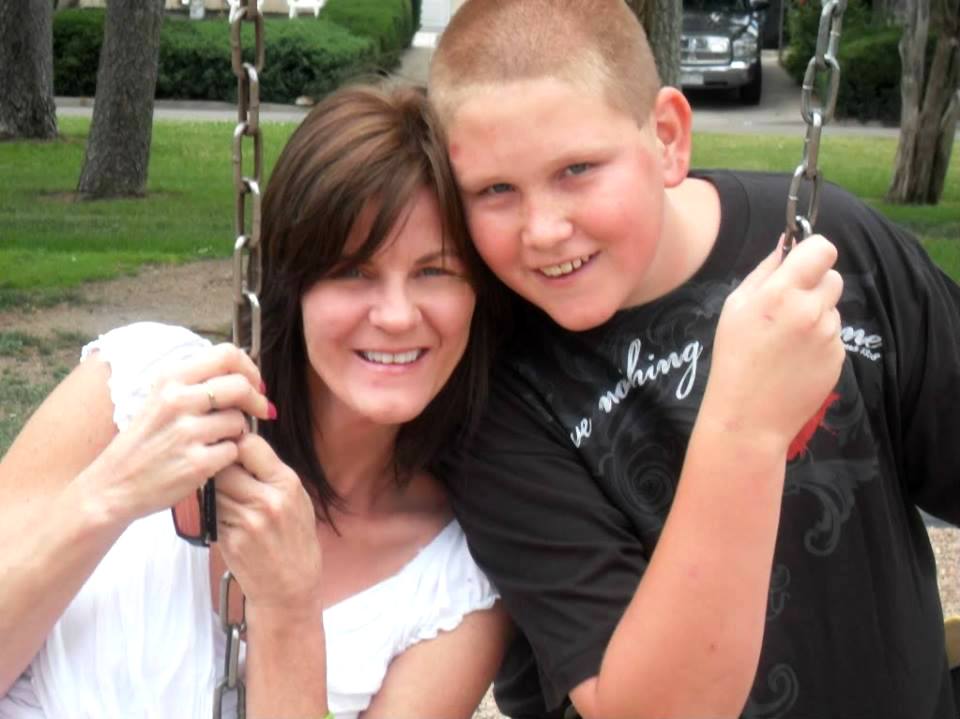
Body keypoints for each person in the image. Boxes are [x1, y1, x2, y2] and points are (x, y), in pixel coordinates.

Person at [427, 1, 960, 718]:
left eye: (577, 169)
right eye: (495, 190)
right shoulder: (494, 394)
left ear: (668, 137)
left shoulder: (832, 247)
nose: (544, 230)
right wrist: (747, 424)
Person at [0, 83, 510, 719]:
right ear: (293, 286)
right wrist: (112, 492)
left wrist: (289, 608)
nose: (397, 315)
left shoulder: (455, 589)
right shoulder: (136, 383)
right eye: (354, 271)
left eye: (434, 271)